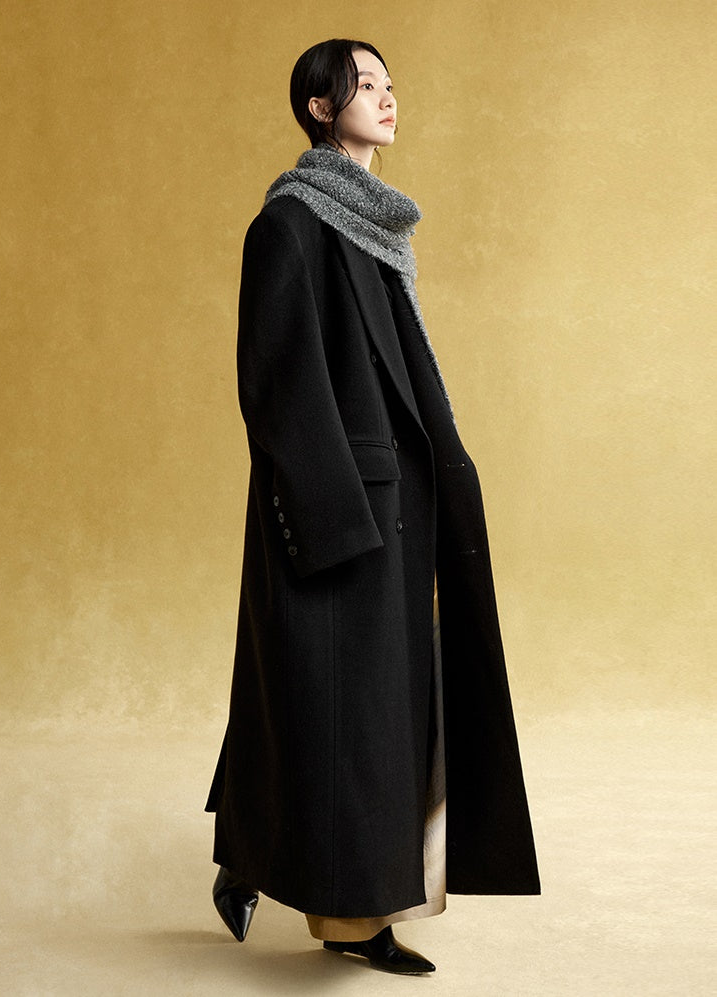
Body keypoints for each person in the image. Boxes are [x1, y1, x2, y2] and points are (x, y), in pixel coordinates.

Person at [205, 38, 540, 976]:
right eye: (365, 85)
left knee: (375, 717)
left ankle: (265, 856)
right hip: (341, 519)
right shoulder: (291, 223)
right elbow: (279, 389)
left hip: (399, 513)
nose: (387, 98)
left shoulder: (376, 227)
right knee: (343, 718)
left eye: (392, 84)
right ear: (320, 107)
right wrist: (333, 526)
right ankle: (346, 917)